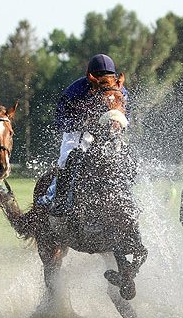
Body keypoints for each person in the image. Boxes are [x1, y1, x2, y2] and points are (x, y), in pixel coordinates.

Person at [38, 54, 129, 214]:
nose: (104, 81)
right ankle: (58, 200)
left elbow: (127, 116)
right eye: (100, 78)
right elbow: (60, 121)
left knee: (126, 159)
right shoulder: (75, 90)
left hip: (109, 136)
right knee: (68, 159)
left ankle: (126, 197)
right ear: (91, 78)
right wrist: (81, 123)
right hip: (78, 134)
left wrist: (121, 124)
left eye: (108, 78)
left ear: (115, 79)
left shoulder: (120, 90)